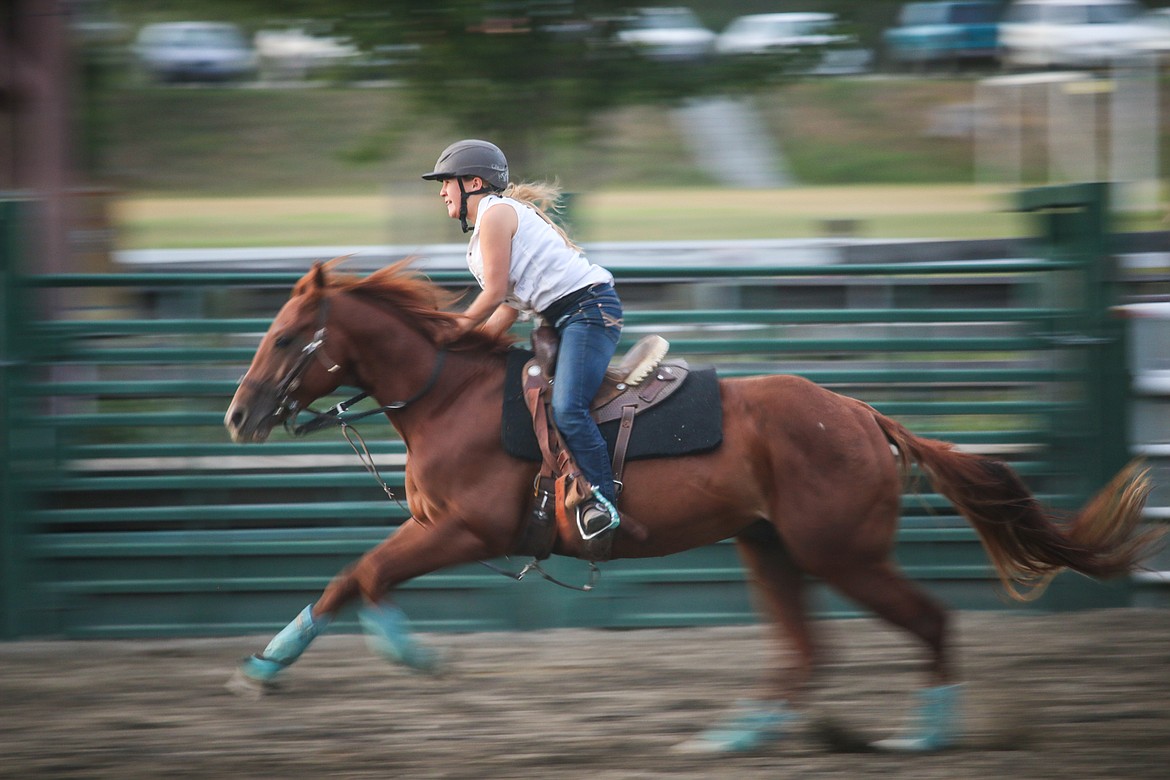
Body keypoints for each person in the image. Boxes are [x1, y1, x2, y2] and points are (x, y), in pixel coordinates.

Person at [422, 139, 622, 538]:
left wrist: (455, 330)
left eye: (447, 182)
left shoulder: (495, 216)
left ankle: (604, 503)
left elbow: (494, 294)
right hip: (560, 318)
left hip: (588, 312)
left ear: (473, 183)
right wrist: (466, 351)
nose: (442, 191)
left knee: (567, 408)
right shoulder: (485, 231)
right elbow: (508, 309)